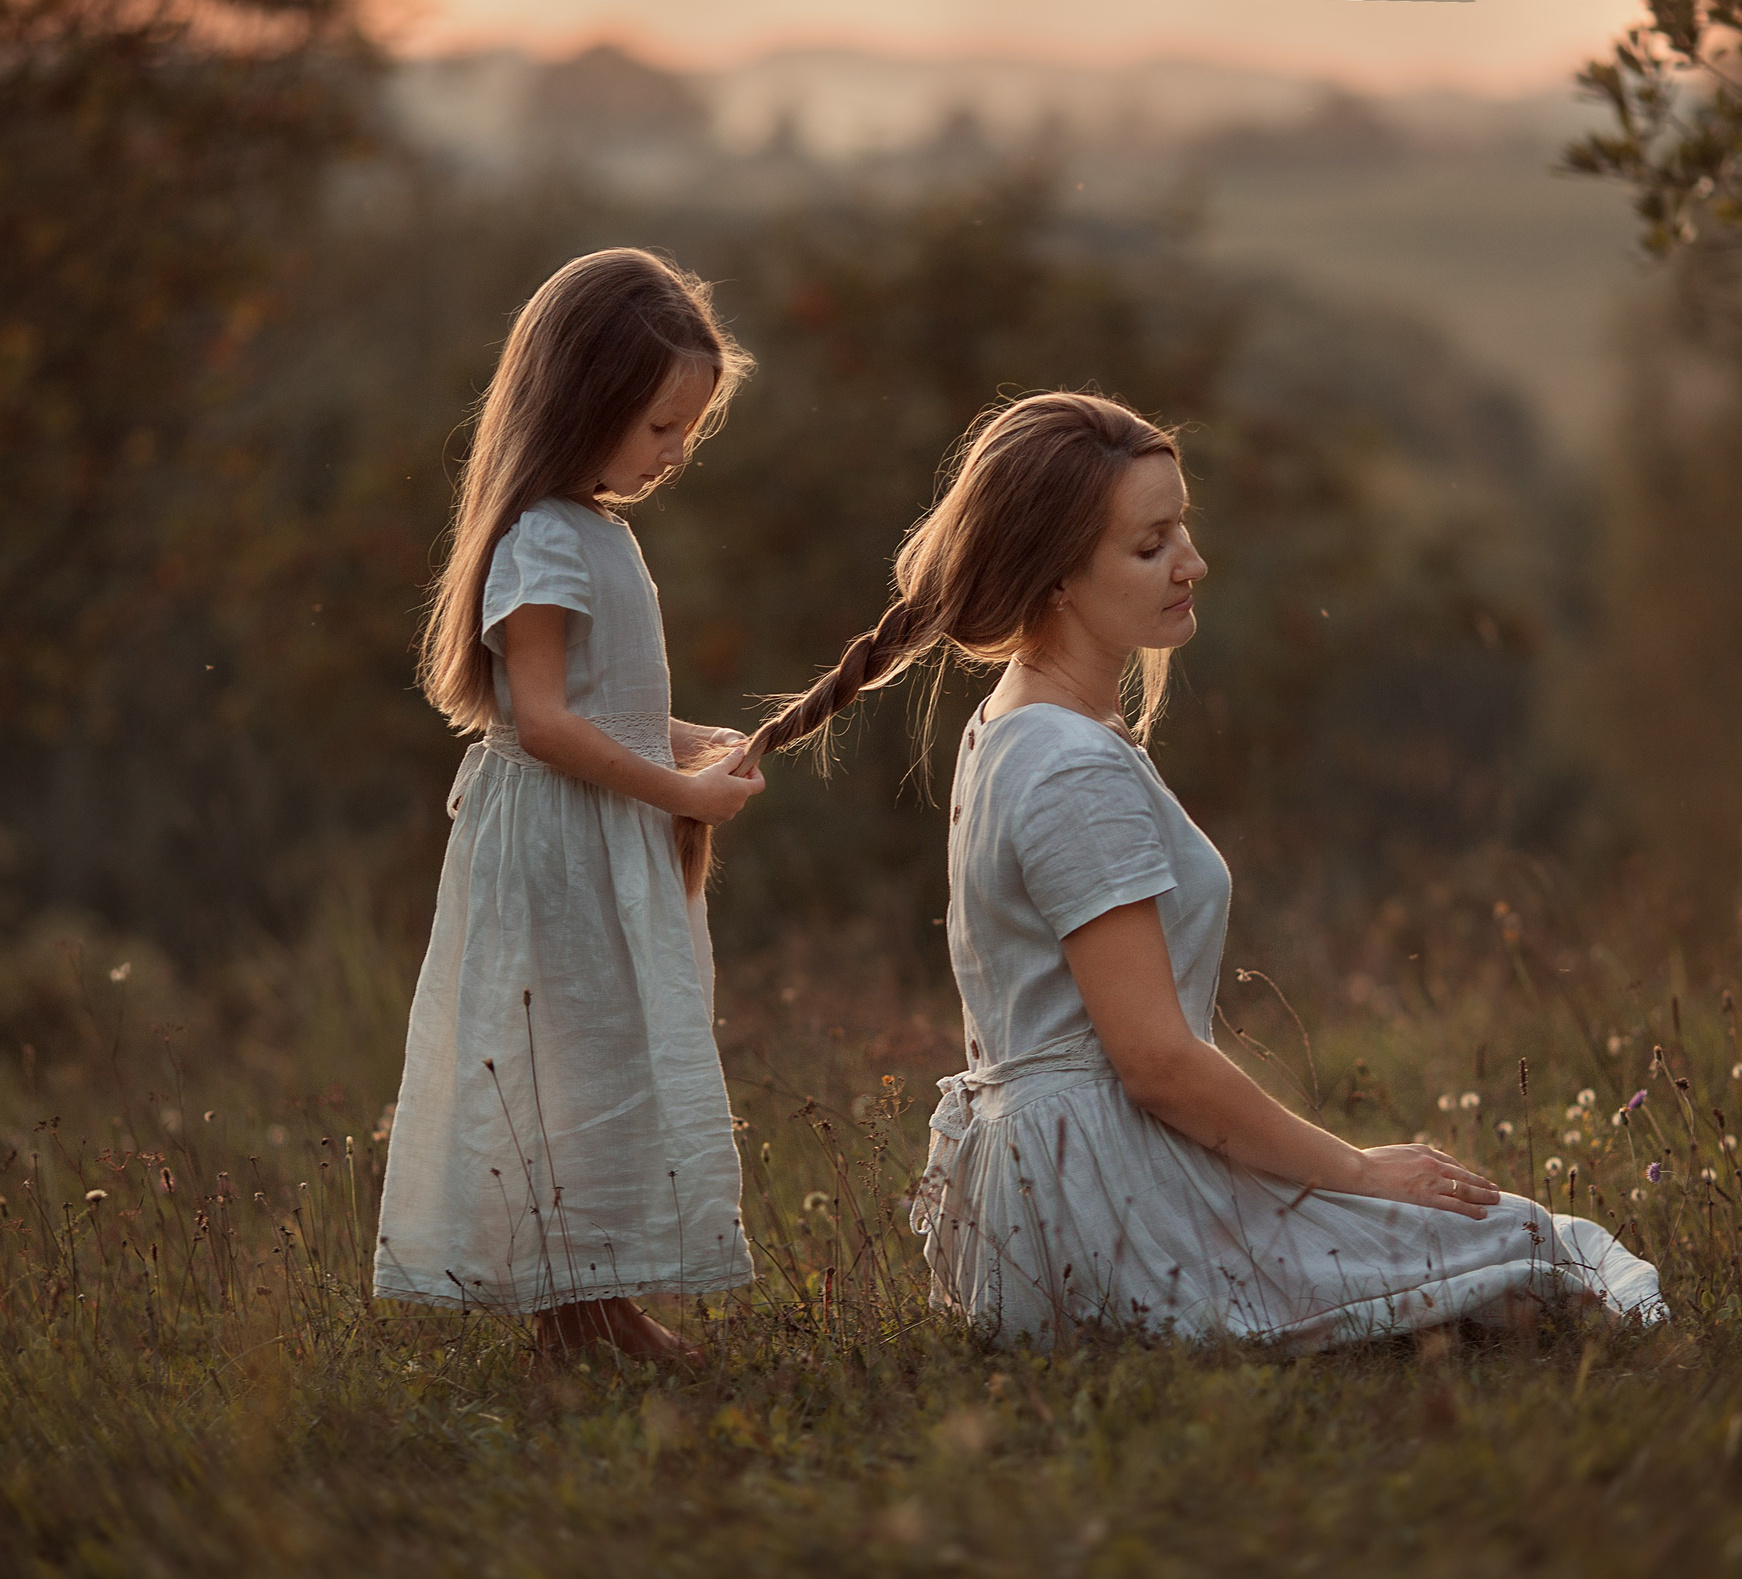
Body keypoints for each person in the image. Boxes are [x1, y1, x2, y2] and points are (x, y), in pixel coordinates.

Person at [737, 392, 1665, 1346]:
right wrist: (1353, 1169)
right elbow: (1156, 1064)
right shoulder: (1066, 766)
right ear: (1056, 578)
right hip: (1108, 1203)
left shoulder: (1016, 724)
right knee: (1525, 1251)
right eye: (1150, 546)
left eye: (1181, 527)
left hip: (1058, 1187)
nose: (1192, 563)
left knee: (1517, 1240)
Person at [373, 250, 764, 1364]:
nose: (676, 454)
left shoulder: (597, 530)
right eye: (659, 429)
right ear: (581, 403)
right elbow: (539, 720)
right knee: (567, 1059)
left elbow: (614, 706)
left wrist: (699, 741)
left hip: (604, 831)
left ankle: (594, 1300)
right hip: (556, 841)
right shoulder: (542, 536)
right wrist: (679, 788)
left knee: (610, 1053)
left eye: (688, 431)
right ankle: (574, 1314)